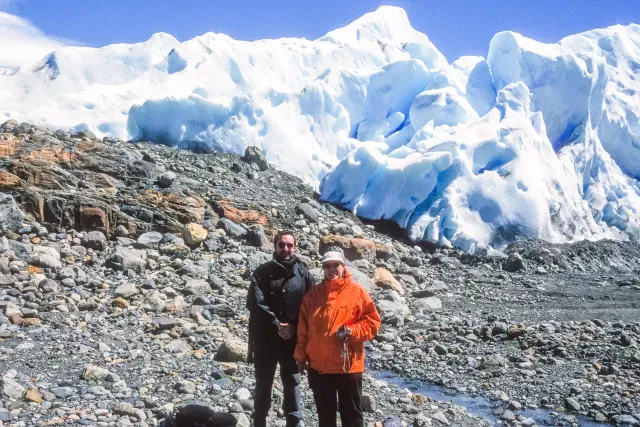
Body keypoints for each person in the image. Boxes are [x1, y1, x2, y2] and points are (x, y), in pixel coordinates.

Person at [294, 251, 381, 427]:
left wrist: (352, 331)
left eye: (336, 265)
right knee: (325, 415)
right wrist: (300, 357)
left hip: (348, 367)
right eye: (327, 265)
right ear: (323, 269)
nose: (331, 268)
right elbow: (303, 329)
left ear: (343, 267)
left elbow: (372, 323)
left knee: (352, 415)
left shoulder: (357, 292)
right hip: (319, 367)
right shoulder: (313, 295)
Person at [246, 231, 315, 427]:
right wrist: (278, 326)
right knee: (263, 384)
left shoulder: (303, 272)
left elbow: (311, 304)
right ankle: (259, 421)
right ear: (275, 246)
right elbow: (256, 303)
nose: (286, 249)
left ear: (295, 247)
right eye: (282, 245)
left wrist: (293, 327)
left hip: (293, 341)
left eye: (290, 245)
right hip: (265, 340)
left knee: (292, 383)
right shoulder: (261, 272)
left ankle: (294, 421)